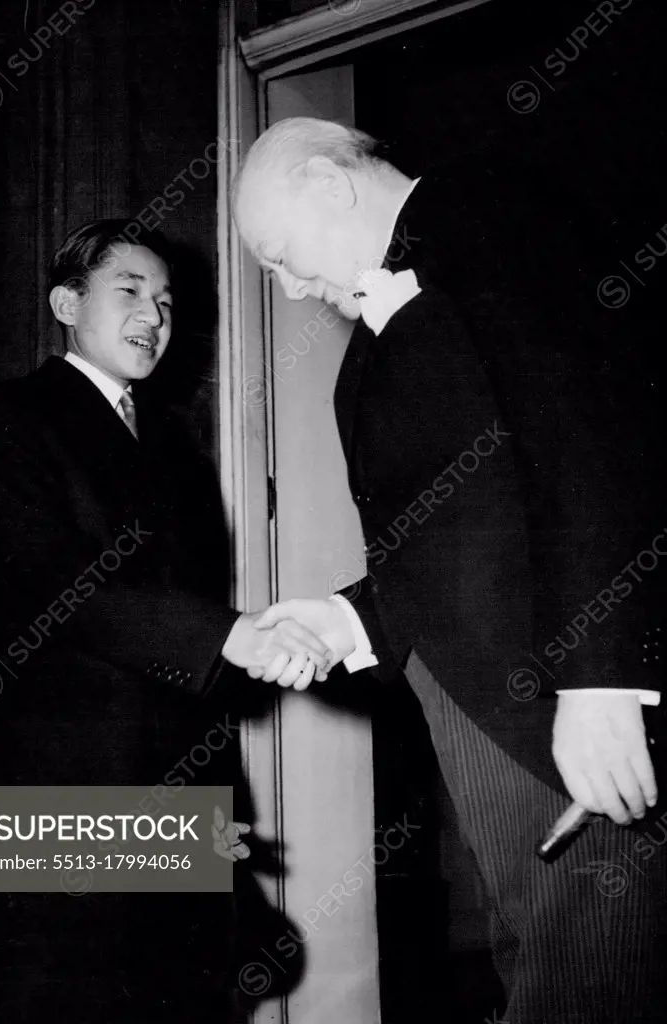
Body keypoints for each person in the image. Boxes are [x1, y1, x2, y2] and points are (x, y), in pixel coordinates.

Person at [233, 117, 667, 1023]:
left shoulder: (485, 203)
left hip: (556, 708)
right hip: (478, 714)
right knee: (541, 968)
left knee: (590, 977)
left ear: (327, 182)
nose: (282, 285)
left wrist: (603, 678)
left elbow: (588, 423)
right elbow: (452, 535)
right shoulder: (361, 363)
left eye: (276, 256)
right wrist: (346, 620)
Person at [0, 219, 330, 1024]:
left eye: (165, 300)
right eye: (129, 291)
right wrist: (228, 633)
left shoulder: (176, 452)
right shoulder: (2, 417)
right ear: (64, 303)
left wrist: (219, 812)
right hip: (46, 786)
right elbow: (52, 585)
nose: (154, 315)